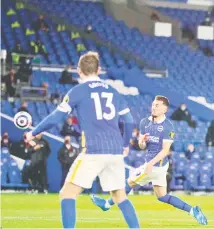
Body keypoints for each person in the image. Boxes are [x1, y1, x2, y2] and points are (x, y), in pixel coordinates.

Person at [25, 51, 140, 228]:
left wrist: (33, 132)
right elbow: (129, 121)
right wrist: (125, 145)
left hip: (94, 150)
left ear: (79, 71)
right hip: (115, 150)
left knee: (67, 194)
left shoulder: (78, 91)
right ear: (99, 69)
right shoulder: (113, 91)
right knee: (120, 197)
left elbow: (57, 117)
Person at [91, 96, 207, 225]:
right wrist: (142, 141)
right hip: (156, 165)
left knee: (126, 184)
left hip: (156, 165)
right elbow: (141, 146)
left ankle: (106, 205)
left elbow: (165, 151)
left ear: (165, 109)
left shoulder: (168, 127)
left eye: (157, 105)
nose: (153, 107)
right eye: (153, 104)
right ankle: (192, 210)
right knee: (162, 196)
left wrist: (150, 164)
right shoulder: (145, 123)